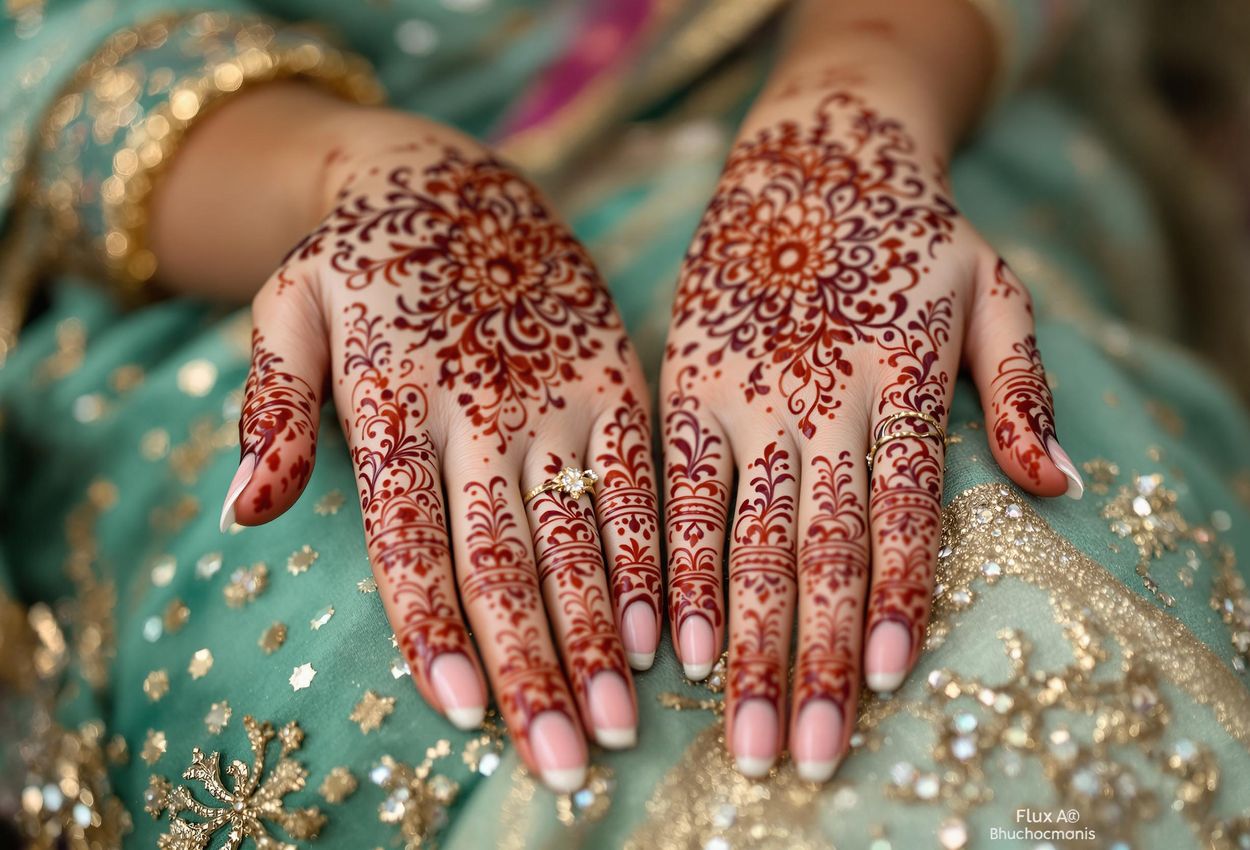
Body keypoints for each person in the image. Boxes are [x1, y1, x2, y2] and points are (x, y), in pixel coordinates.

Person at [2, 1, 1249, 847]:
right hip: (282, 218)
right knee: (382, 641)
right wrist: (379, 182)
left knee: (987, 549)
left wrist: (844, 126)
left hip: (896, 95)